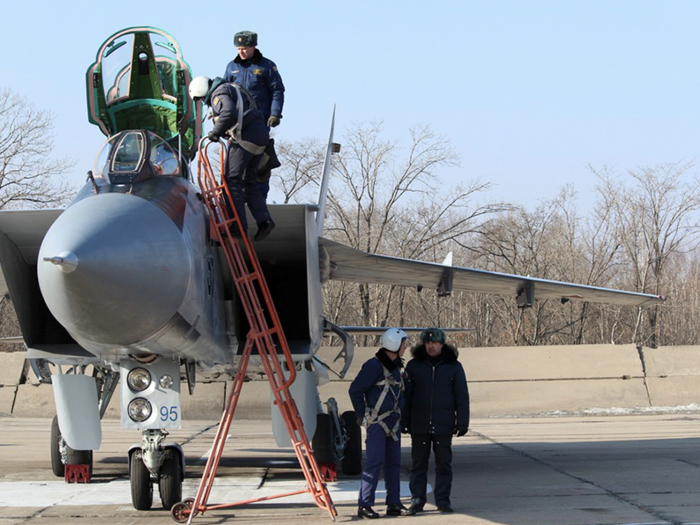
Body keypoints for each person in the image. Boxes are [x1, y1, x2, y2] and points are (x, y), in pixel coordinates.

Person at [188, 76, 275, 242]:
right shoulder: (232, 87)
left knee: (230, 180)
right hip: (260, 136)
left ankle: (237, 229)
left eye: (200, 99)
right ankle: (265, 221)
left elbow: (228, 112)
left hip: (245, 138)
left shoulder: (218, 94)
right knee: (249, 181)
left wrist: (215, 132)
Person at [348, 328, 415, 519]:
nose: (405, 347)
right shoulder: (373, 366)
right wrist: (362, 415)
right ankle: (365, 504)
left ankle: (393, 503)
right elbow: (355, 390)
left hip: (393, 423)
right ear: (394, 344)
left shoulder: (396, 367)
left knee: (394, 463)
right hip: (377, 423)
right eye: (403, 343)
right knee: (374, 462)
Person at [402, 327, 470, 514]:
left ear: (442, 344)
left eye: (435, 343)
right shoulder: (414, 366)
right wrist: (404, 420)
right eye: (428, 343)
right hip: (420, 424)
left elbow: (461, 396)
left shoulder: (454, 366)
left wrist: (462, 421)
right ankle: (417, 500)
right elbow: (406, 396)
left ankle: (443, 501)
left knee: (443, 465)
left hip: (443, 424)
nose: (431, 346)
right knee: (418, 464)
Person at [223, 31, 285, 199]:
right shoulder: (231, 67)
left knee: (260, 164)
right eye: (238, 49)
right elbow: (224, 92)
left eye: (244, 48)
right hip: (236, 125)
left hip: (259, 124)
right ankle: (236, 200)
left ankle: (259, 199)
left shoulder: (266, 66)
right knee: (234, 167)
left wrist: (275, 114)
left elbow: (277, 91)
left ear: (253, 47)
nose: (241, 52)